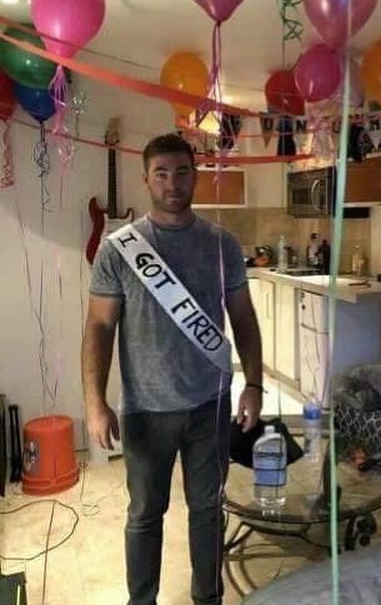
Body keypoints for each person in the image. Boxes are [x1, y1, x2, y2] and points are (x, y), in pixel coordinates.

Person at [81, 133, 263, 605]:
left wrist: (254, 384)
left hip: (210, 405)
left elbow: (243, 318)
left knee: (207, 510)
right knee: (145, 514)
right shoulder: (118, 249)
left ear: (195, 176)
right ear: (146, 180)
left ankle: (209, 599)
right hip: (145, 410)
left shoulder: (222, 244)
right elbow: (99, 327)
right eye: (161, 174)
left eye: (182, 172)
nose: (172, 183)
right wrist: (95, 402)